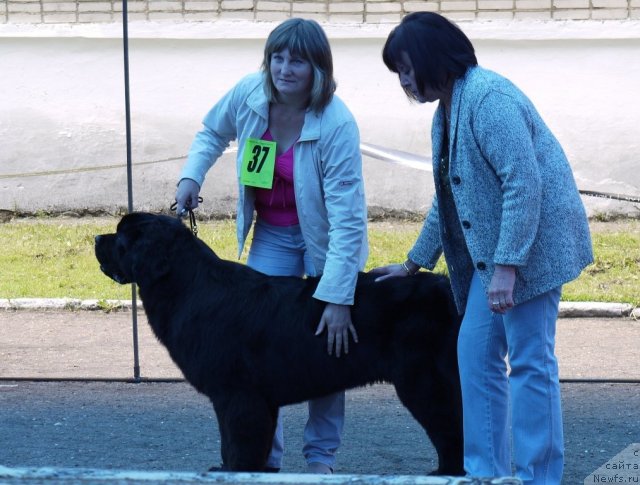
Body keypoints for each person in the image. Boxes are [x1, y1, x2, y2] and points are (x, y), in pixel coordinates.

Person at [370, 12, 593, 484]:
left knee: (531, 361)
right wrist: (413, 263)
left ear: (434, 57)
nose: (404, 81)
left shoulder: (488, 99)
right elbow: (448, 196)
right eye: (399, 73)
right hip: (493, 257)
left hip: (534, 249)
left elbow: (523, 183)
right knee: (474, 355)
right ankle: (483, 474)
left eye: (406, 69)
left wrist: (508, 268)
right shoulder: (447, 109)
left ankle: (539, 477)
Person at [174, 18, 368, 474]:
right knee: (260, 346)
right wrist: (190, 177)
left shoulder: (337, 122)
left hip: (325, 243)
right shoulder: (248, 92)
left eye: (297, 60)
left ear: (318, 68)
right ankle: (265, 459)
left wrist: (338, 295)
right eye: (277, 57)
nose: (284, 68)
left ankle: (321, 461)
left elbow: (348, 218)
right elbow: (211, 133)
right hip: (273, 236)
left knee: (327, 344)